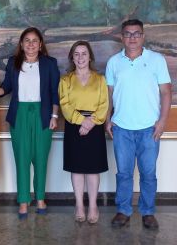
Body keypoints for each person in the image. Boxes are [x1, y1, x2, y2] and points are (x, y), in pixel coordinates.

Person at [105, 19, 171, 230]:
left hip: (149, 129)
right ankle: (123, 211)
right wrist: (108, 120)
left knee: (148, 174)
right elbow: (108, 94)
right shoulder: (114, 62)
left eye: (136, 33)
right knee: (123, 173)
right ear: (121, 37)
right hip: (122, 128)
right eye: (128, 34)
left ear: (143, 36)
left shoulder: (157, 60)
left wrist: (162, 122)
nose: (132, 37)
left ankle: (148, 212)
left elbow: (166, 92)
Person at [0, 27, 60, 219]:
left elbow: (55, 92)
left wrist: (54, 117)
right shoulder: (14, 62)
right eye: (27, 41)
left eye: (34, 41)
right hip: (19, 114)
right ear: (21, 44)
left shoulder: (49, 63)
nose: (30, 44)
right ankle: (23, 201)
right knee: (22, 158)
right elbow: (7, 86)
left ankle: (40, 198)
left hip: (43, 114)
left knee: (40, 158)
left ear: (40, 45)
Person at [58, 41, 109, 224]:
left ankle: (93, 205)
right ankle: (79, 205)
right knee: (77, 168)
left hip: (95, 128)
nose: (80, 57)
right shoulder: (65, 80)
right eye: (76, 54)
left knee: (93, 169)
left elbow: (104, 104)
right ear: (72, 57)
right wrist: (82, 122)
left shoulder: (100, 79)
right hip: (74, 127)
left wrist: (91, 122)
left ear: (90, 57)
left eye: (84, 53)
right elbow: (65, 104)